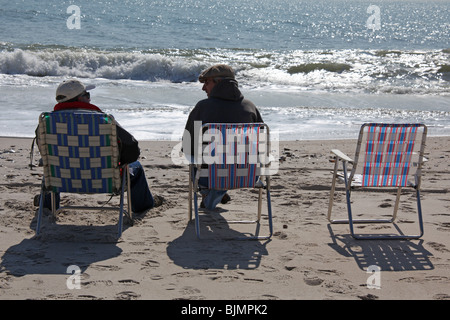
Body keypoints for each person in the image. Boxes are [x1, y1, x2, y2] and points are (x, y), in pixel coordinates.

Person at [35, 79, 155, 213]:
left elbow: (43, 150)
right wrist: (120, 162)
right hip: (104, 179)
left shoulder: (46, 124)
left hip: (62, 178)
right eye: (87, 95)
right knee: (136, 167)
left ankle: (46, 207)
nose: (89, 99)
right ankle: (143, 207)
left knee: (51, 165)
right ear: (80, 98)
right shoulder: (104, 121)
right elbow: (132, 150)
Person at [183, 64, 263, 210]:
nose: (203, 88)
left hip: (209, 177)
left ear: (219, 82)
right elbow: (261, 147)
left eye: (207, 82)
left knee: (197, 160)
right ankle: (217, 192)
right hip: (247, 175)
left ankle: (211, 192)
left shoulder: (203, 107)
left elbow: (188, 146)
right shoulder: (250, 107)